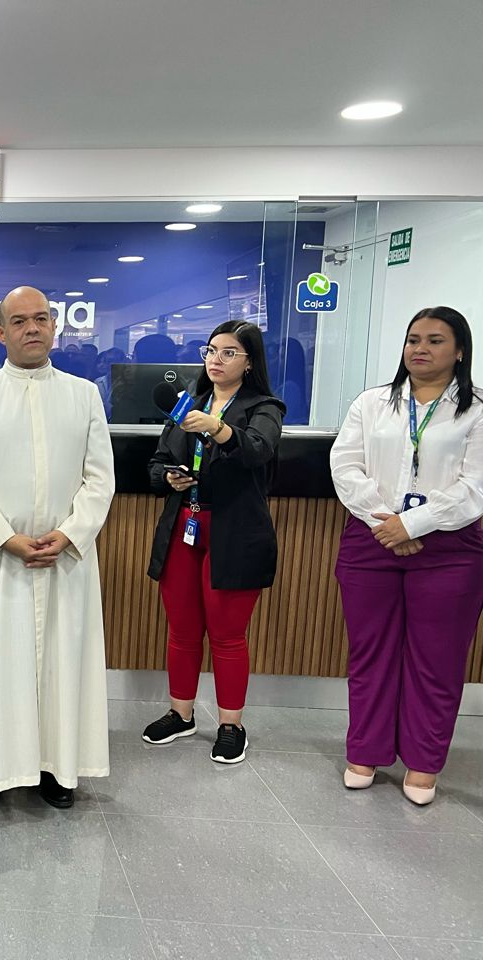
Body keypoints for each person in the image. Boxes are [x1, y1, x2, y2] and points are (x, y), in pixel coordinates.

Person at [0, 286, 114, 809]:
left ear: (55, 326)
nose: (32, 328)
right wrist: (8, 539)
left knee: (63, 664)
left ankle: (58, 767)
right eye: (19, 321)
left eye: (41, 318)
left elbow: (100, 480)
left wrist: (71, 533)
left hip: (65, 558)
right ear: (0, 332)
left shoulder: (84, 395)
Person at [331, 306, 483, 805]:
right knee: (370, 651)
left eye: (435, 340)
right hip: (372, 537)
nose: (420, 348)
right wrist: (388, 522)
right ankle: (365, 751)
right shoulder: (372, 403)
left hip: (449, 547)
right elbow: (345, 465)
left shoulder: (477, 409)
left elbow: (475, 486)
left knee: (437, 658)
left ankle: (423, 763)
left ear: (459, 351)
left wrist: (413, 524)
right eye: (413, 339)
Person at [142, 320, 285, 764]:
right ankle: (181, 713)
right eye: (210, 351)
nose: (215, 360)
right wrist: (168, 476)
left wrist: (218, 429)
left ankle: (231, 724)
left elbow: (258, 449)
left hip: (234, 531)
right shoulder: (191, 400)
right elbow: (157, 461)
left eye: (228, 353)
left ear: (249, 362)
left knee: (227, 634)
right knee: (182, 629)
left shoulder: (264, 406)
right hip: (185, 524)